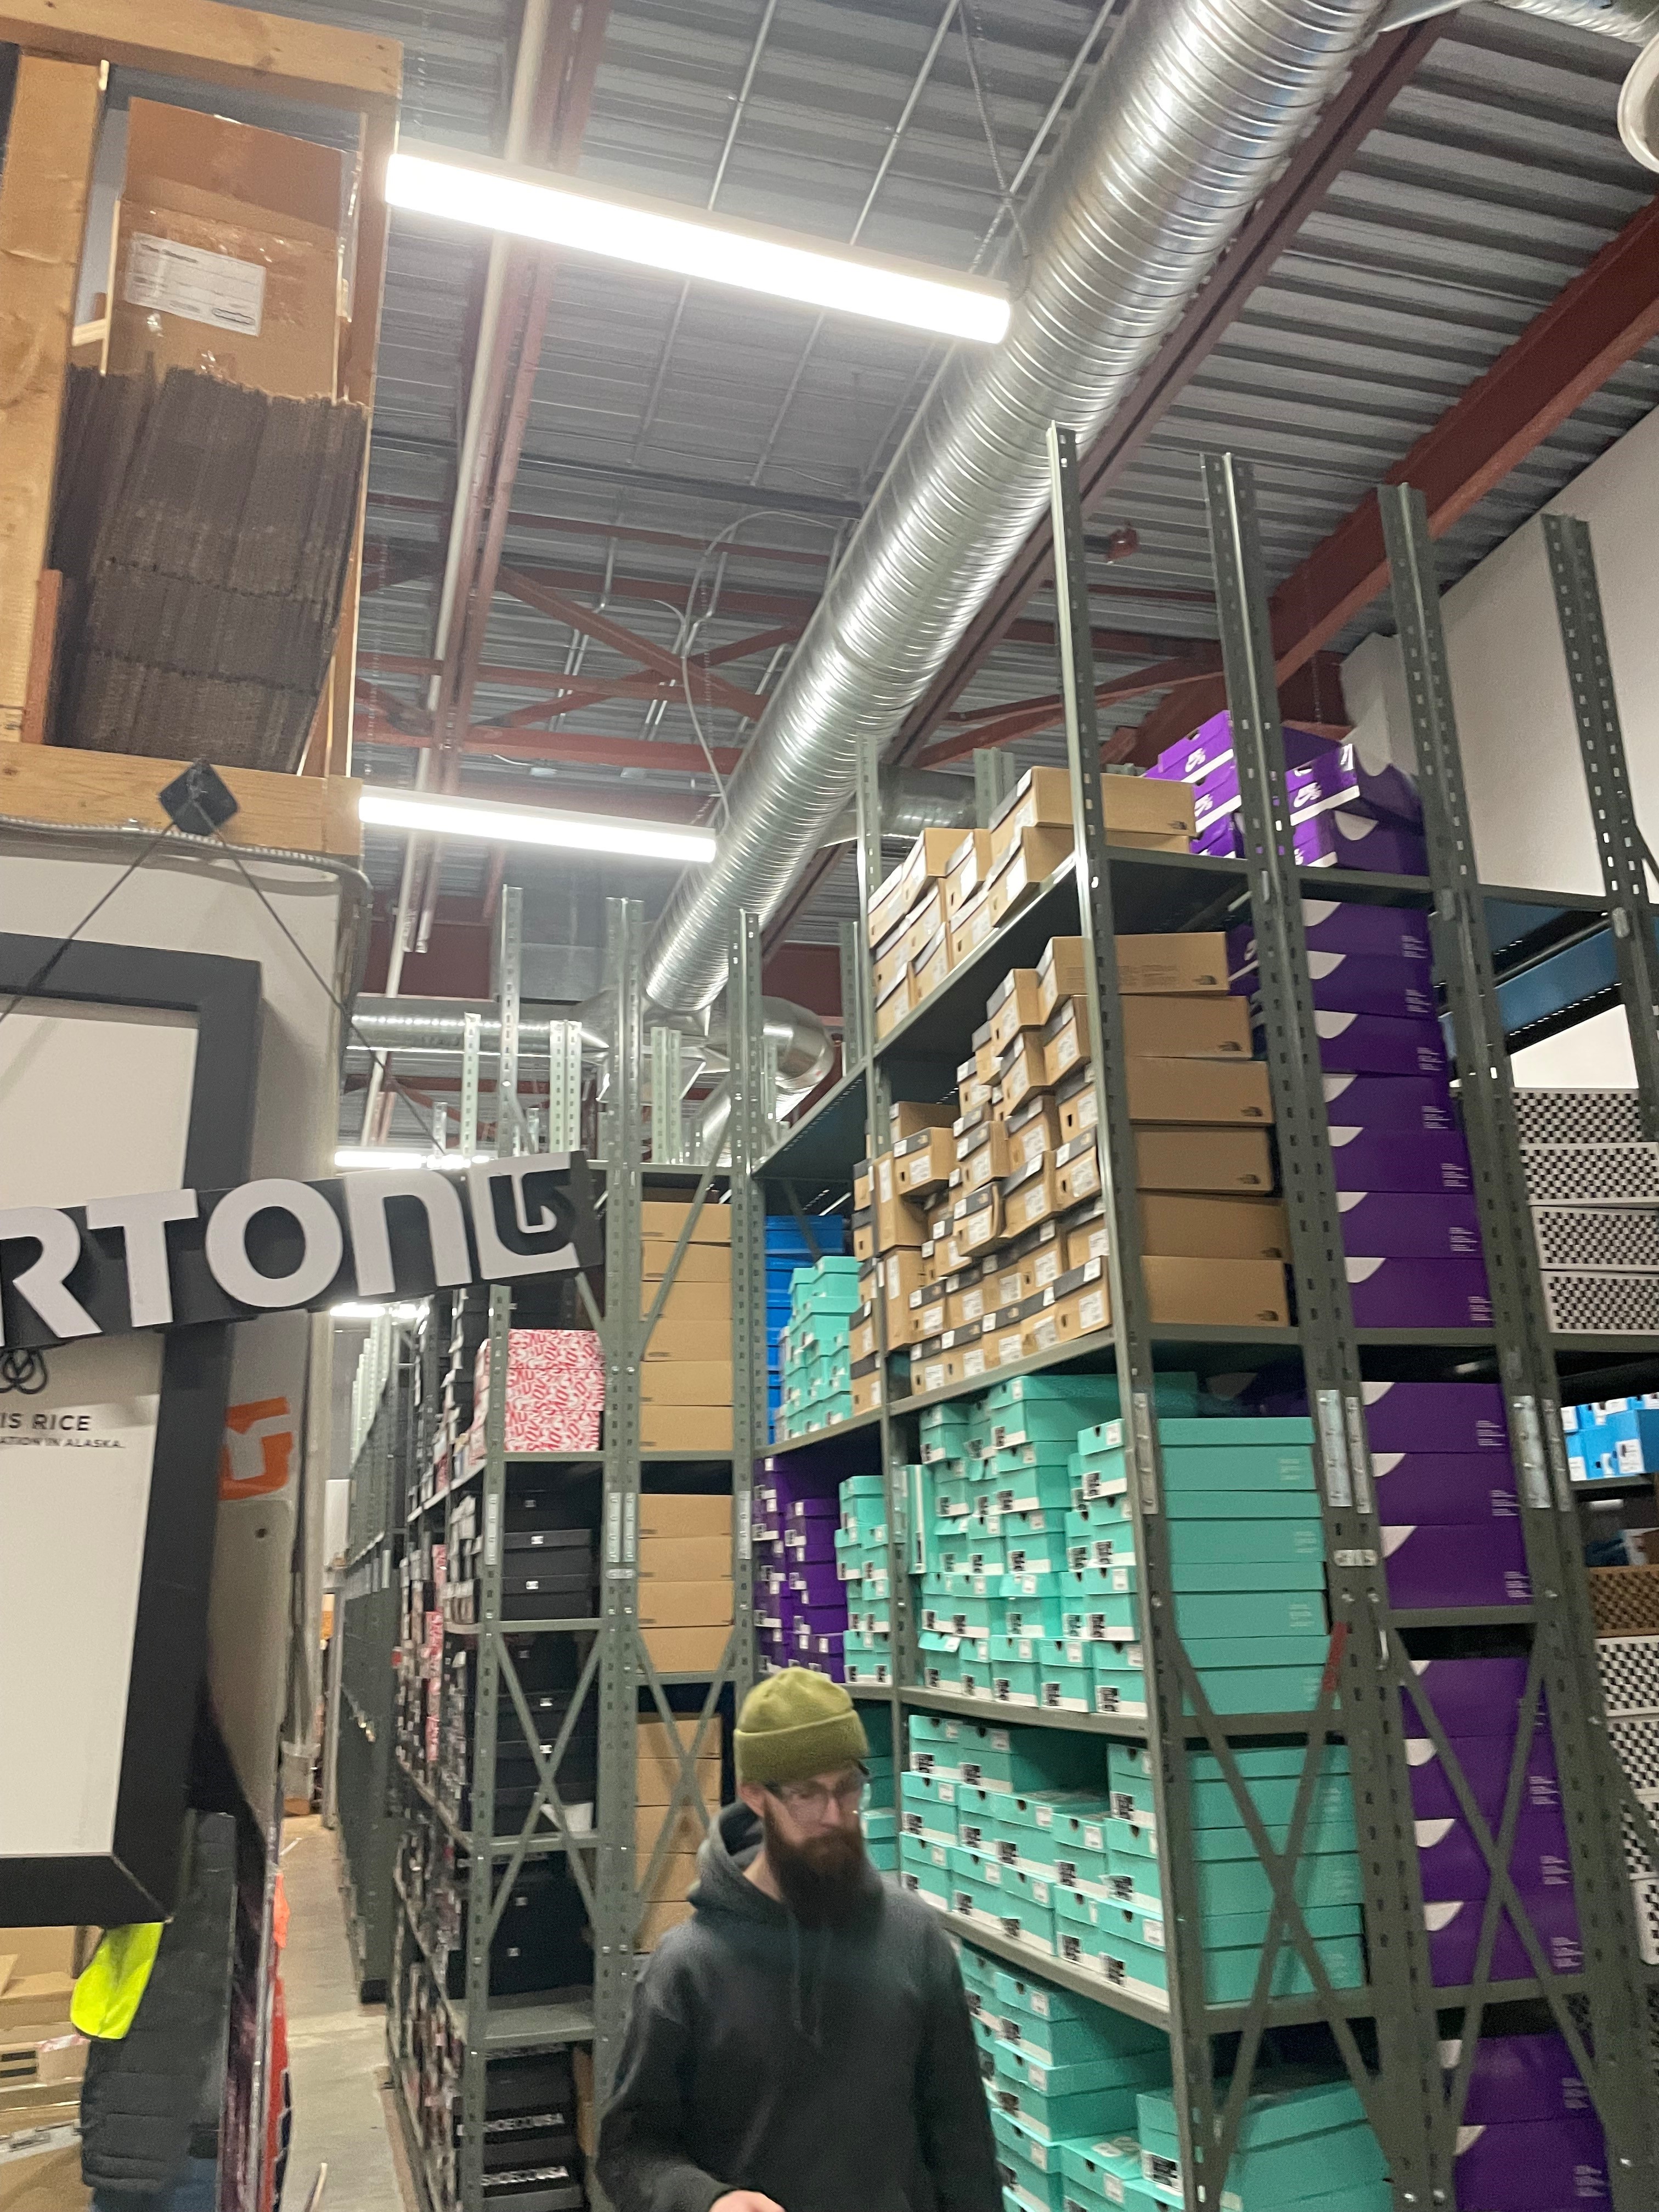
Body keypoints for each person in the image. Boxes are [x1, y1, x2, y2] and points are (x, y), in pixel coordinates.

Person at [597, 1669, 1000, 2212]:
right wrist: (708, 2201)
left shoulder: (914, 1939)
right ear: (755, 1796)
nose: (835, 1816)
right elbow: (629, 2155)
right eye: (807, 1795)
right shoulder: (688, 1967)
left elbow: (964, 2146)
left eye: (847, 1787)